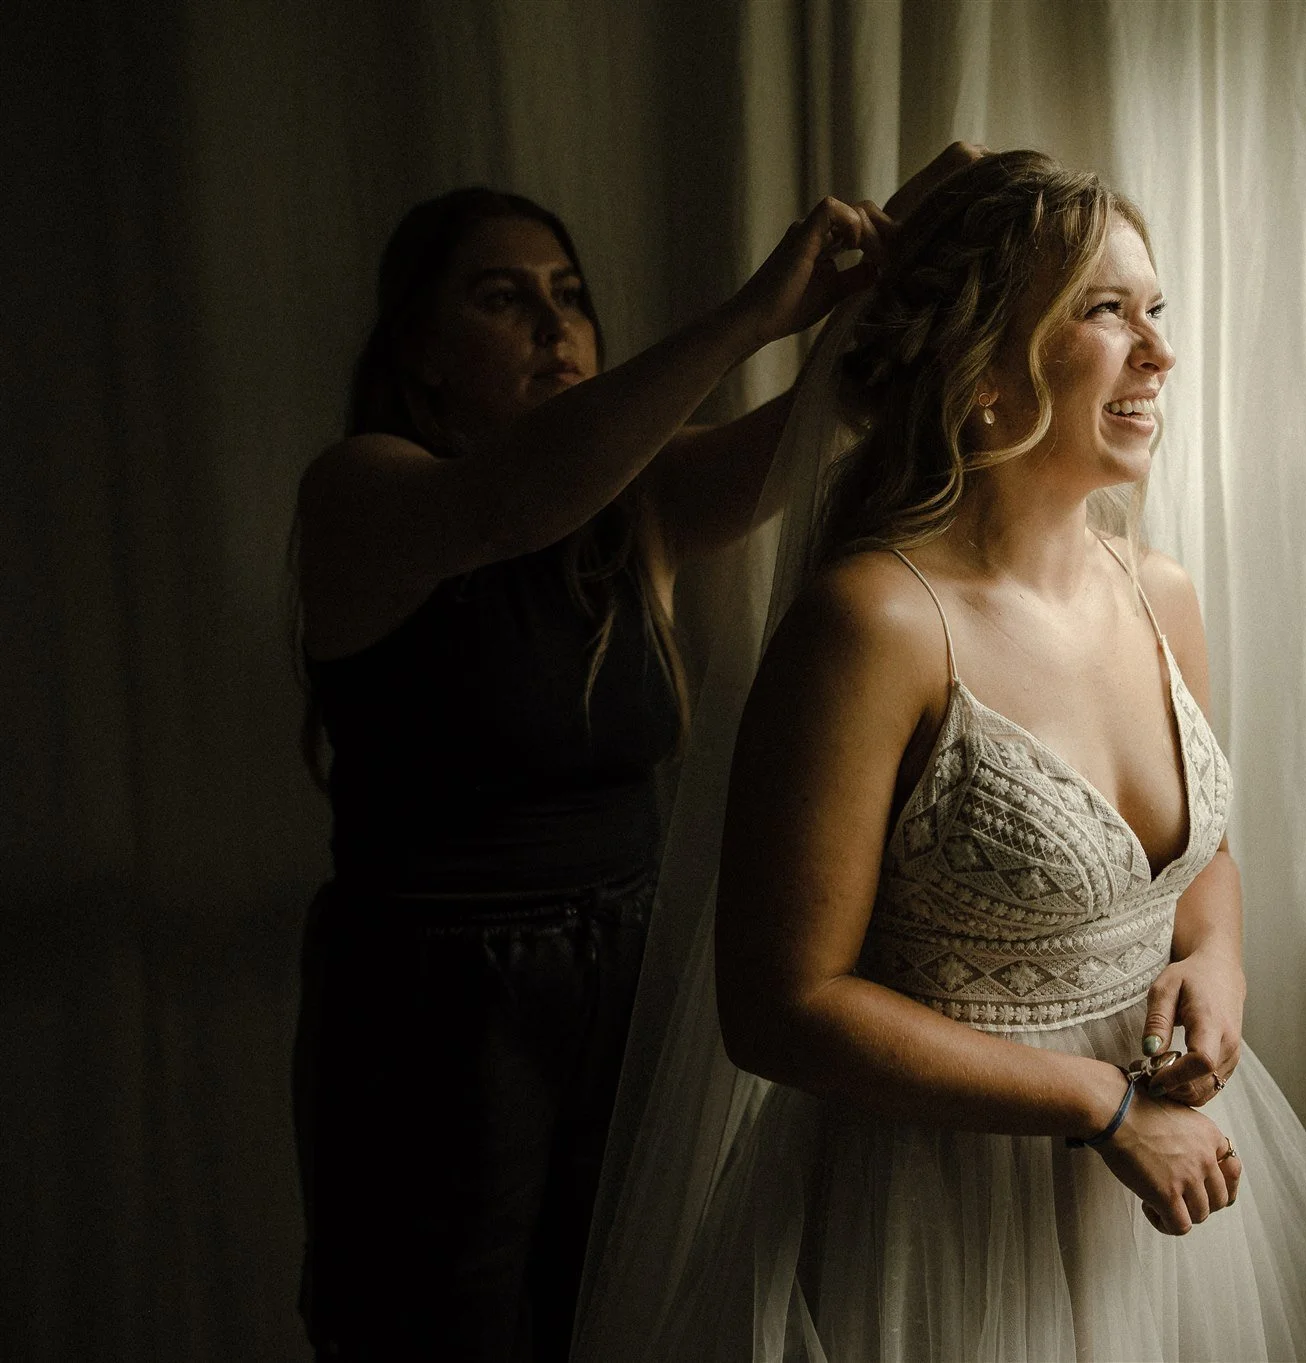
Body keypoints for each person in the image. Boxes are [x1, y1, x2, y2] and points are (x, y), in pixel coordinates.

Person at [577, 149, 1306, 1361]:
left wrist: (1216, 963)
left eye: (1155, 309)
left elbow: (1196, 858)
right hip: (936, 1232)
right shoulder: (874, 625)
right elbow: (779, 1009)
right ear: (987, 373)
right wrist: (1100, 1104)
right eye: (1105, 312)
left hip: (1164, 1213)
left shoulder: (1158, 591)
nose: (1159, 353)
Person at [290, 147, 974, 1361]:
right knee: (435, 1333)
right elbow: (508, 506)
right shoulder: (360, 490)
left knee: (614, 1317)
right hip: (436, 1010)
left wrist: (912, 251)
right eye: (501, 297)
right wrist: (755, 313)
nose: (554, 323)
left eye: (569, 295)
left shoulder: (635, 506)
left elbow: (823, 417)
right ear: (420, 350)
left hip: (629, 976)